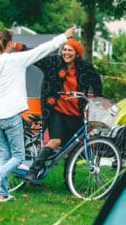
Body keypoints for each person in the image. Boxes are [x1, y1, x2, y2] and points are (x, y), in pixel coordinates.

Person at [0, 27, 75, 201]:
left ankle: (3, 194)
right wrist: (63, 37)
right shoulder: (16, 60)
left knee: (5, 154)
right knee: (18, 156)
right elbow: (42, 49)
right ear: (8, 44)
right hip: (10, 115)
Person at [23, 38, 102, 185]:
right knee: (56, 140)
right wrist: (21, 47)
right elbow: (36, 57)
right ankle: (31, 173)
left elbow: (96, 81)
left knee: (73, 148)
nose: (66, 52)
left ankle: (68, 181)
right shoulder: (54, 62)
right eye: (64, 49)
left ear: (77, 53)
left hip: (76, 113)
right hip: (56, 110)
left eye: (69, 50)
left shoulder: (84, 67)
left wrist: (97, 100)